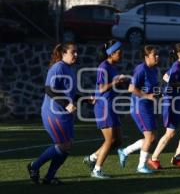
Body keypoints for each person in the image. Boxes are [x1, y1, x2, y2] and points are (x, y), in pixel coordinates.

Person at [27, 42, 78, 184]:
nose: (76, 55)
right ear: (63, 53)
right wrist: (66, 104)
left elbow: (70, 94)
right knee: (64, 145)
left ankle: (49, 178)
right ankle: (34, 166)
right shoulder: (58, 67)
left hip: (64, 114)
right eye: (73, 52)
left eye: (76, 52)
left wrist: (87, 99)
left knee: (67, 146)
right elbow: (49, 89)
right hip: (53, 113)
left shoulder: (69, 69)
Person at [148, 42, 180, 169]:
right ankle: (153, 158)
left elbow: (165, 76)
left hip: (179, 103)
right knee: (170, 133)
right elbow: (171, 85)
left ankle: (178, 157)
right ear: (179, 53)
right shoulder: (176, 67)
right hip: (172, 103)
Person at [83, 40, 126, 179]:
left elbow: (110, 86)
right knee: (110, 139)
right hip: (103, 106)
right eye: (119, 53)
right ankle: (96, 170)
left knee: (118, 141)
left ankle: (92, 158)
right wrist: (114, 82)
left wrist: (119, 83)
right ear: (112, 53)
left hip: (110, 106)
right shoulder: (104, 66)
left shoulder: (113, 66)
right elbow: (101, 88)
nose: (121, 55)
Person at [117, 45, 159, 174]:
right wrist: (147, 96)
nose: (157, 57)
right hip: (139, 107)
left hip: (147, 106)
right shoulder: (141, 69)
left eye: (157, 54)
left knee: (152, 137)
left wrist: (158, 94)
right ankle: (141, 166)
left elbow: (150, 88)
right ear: (146, 57)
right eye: (154, 55)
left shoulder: (153, 69)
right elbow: (131, 88)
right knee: (150, 136)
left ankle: (124, 151)